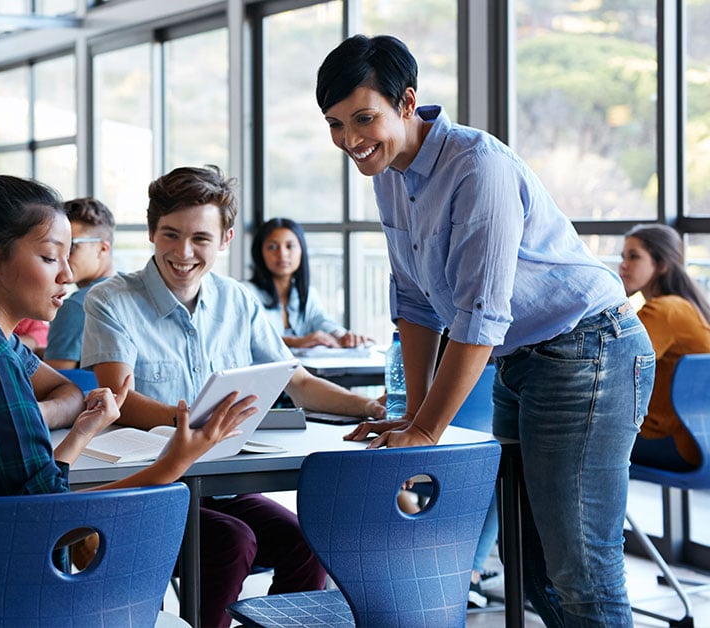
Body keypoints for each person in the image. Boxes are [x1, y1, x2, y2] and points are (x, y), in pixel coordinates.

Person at [317, 34, 655, 627]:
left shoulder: (477, 166)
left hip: (589, 350)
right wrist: (412, 412)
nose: (350, 140)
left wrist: (426, 432)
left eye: (363, 118)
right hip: (523, 360)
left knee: (582, 570)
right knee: (526, 564)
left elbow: (479, 315)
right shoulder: (389, 173)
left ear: (406, 103)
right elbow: (416, 301)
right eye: (336, 124)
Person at [0, 146, 257, 628]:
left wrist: (84, 431)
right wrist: (173, 462)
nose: (68, 274)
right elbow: (53, 520)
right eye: (50, 256)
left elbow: (33, 489)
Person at [81, 165, 385, 628]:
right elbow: (121, 401)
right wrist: (200, 429)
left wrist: (369, 407)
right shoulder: (110, 299)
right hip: (156, 486)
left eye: (200, 238)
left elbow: (295, 380)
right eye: (170, 235)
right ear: (150, 231)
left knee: (307, 541)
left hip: (224, 485)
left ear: (224, 239)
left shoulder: (238, 300)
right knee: (232, 541)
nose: (183, 253)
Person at [619, 223, 710, 471]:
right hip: (699, 441)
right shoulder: (684, 306)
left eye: (634, 256)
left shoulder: (663, 310)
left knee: (562, 440)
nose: (623, 265)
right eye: (623, 257)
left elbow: (615, 364)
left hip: (676, 443)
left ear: (661, 265)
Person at [246, 217, 371, 348]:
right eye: (272, 247)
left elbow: (322, 321)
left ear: (302, 251)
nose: (282, 254)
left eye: (290, 246)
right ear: (259, 252)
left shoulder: (306, 294)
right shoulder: (246, 293)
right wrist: (297, 342)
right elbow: (250, 337)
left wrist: (343, 336)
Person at [44, 196, 118, 370]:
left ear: (103, 248)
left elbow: (55, 382)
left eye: (72, 246)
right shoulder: (132, 292)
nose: (62, 256)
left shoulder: (78, 307)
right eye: (56, 246)